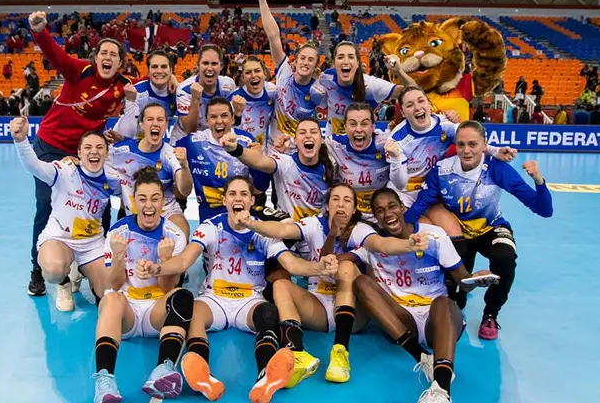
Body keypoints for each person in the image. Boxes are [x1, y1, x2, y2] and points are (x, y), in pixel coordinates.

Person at [135, 176, 339, 403]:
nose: (238, 198)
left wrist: (319, 267)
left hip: (249, 301)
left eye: (244, 194)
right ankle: (204, 376)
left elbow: (292, 265)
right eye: (232, 194)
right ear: (225, 200)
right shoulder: (211, 227)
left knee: (268, 313)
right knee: (193, 314)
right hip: (215, 299)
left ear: (252, 201)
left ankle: (265, 377)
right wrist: (157, 268)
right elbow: (184, 260)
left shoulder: (263, 232)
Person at [236, 183, 428, 386]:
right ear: (327, 206)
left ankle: (340, 352)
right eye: (335, 199)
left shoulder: (360, 230)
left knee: (345, 267)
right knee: (281, 285)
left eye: (347, 200)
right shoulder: (314, 225)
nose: (341, 204)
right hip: (319, 307)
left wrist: (408, 244)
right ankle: (298, 354)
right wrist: (252, 224)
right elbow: (283, 229)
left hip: (354, 314)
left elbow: (381, 244)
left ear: (354, 209)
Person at [405, 121, 553, 340]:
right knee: (456, 297)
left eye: (473, 144)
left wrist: (539, 181)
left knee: (505, 259)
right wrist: (399, 231)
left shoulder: (496, 168)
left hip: (491, 227)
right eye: (461, 144)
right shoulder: (442, 170)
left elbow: (544, 210)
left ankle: (491, 314)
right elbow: (422, 204)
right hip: (458, 234)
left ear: (485, 145)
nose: (466, 150)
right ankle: (457, 303)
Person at [350, 187, 498, 403]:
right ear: (376, 217)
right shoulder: (372, 243)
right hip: (401, 320)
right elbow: (345, 260)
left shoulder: (434, 235)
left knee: (444, 302)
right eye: (380, 210)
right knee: (361, 282)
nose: (388, 213)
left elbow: (463, 281)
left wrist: (476, 279)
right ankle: (421, 356)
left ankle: (442, 390)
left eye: (392, 206)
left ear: (402, 208)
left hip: (436, 320)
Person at [26, 10, 132, 297]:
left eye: (114, 55)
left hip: (88, 152)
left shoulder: (123, 86)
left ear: (120, 63)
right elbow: (55, 54)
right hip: (51, 146)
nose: (108, 58)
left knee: (102, 206)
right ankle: (38, 270)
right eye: (103, 53)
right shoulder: (79, 71)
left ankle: (94, 263)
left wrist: (172, 84)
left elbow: (153, 84)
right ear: (95, 58)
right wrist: (39, 31)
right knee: (46, 206)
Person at [92, 167, 193, 402]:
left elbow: (168, 289)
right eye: (143, 199)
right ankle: (104, 383)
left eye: (155, 199)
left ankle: (163, 370)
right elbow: (114, 283)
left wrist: (165, 260)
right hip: (127, 311)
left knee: (183, 296)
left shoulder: (174, 235)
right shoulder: (118, 232)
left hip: (157, 313)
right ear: (133, 201)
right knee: (111, 297)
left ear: (162, 202)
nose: (149, 205)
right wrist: (118, 256)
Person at [387, 86, 516, 258]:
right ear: (403, 112)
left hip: (430, 193)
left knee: (455, 236)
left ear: (429, 104)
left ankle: (457, 275)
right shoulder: (396, 139)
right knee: (429, 236)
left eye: (421, 101)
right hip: (405, 196)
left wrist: (495, 151)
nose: (417, 107)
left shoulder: (444, 125)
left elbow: (470, 140)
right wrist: (396, 158)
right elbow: (399, 183)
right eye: (410, 105)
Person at [10, 115, 120, 312]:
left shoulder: (112, 179)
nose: (94, 151)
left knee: (110, 293)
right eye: (87, 147)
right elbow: (34, 166)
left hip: (92, 244)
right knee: (53, 270)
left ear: (106, 153)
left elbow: (133, 196)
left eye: (99, 147)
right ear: (78, 153)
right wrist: (21, 140)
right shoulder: (64, 170)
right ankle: (63, 281)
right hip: (59, 239)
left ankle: (83, 271)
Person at [105, 103, 193, 238]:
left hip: (166, 210)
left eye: (160, 119)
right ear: (141, 124)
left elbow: (185, 190)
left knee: (181, 232)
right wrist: (75, 161)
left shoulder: (171, 154)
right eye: (150, 119)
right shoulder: (122, 151)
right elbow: (95, 161)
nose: (155, 123)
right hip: (135, 212)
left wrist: (185, 166)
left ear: (166, 124)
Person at [222, 117, 333, 222]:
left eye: (313, 132)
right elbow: (259, 161)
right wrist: (235, 149)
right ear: (295, 141)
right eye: (302, 132)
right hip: (285, 231)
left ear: (322, 140)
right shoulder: (285, 162)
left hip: (318, 233)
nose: (308, 135)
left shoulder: (332, 167)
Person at [257, 0, 324, 154]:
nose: (305, 62)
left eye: (311, 60)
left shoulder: (318, 90)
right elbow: (273, 35)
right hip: (273, 149)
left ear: (315, 66)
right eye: (303, 58)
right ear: (296, 60)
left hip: (299, 153)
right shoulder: (285, 71)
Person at [174, 97, 262, 222]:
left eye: (224, 116)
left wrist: (259, 161)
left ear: (233, 119)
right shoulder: (192, 142)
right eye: (213, 117)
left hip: (242, 215)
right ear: (207, 121)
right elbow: (166, 152)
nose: (219, 121)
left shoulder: (246, 141)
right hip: (209, 217)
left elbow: (260, 187)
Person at [325, 102, 406, 222]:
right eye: (353, 124)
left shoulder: (386, 144)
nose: (358, 129)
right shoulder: (334, 143)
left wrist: (396, 158)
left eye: (364, 124)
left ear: (373, 126)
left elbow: (401, 183)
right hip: (349, 215)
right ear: (345, 126)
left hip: (381, 214)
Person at [316, 41, 404, 136]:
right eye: (340, 57)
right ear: (334, 62)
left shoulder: (371, 84)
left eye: (351, 57)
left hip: (361, 141)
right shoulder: (326, 78)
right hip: (332, 142)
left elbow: (410, 92)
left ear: (358, 63)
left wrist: (399, 71)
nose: (346, 61)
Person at [170, 44, 237, 144]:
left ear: (221, 66)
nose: (209, 68)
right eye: (205, 63)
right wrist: (195, 99)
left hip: (212, 137)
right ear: (198, 65)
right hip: (184, 138)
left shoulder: (228, 86)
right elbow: (189, 130)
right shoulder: (185, 89)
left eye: (214, 64)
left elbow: (230, 121)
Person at [113, 50, 179, 138]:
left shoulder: (179, 93)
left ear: (171, 70)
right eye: (154, 67)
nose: (159, 71)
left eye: (164, 67)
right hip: (135, 140)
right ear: (148, 71)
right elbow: (126, 134)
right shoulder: (137, 92)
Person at [228, 55, 277, 145]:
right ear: (243, 78)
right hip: (241, 149)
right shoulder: (233, 99)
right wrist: (237, 115)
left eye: (257, 71)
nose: (253, 75)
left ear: (265, 74)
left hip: (263, 149)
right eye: (248, 72)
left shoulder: (272, 91)